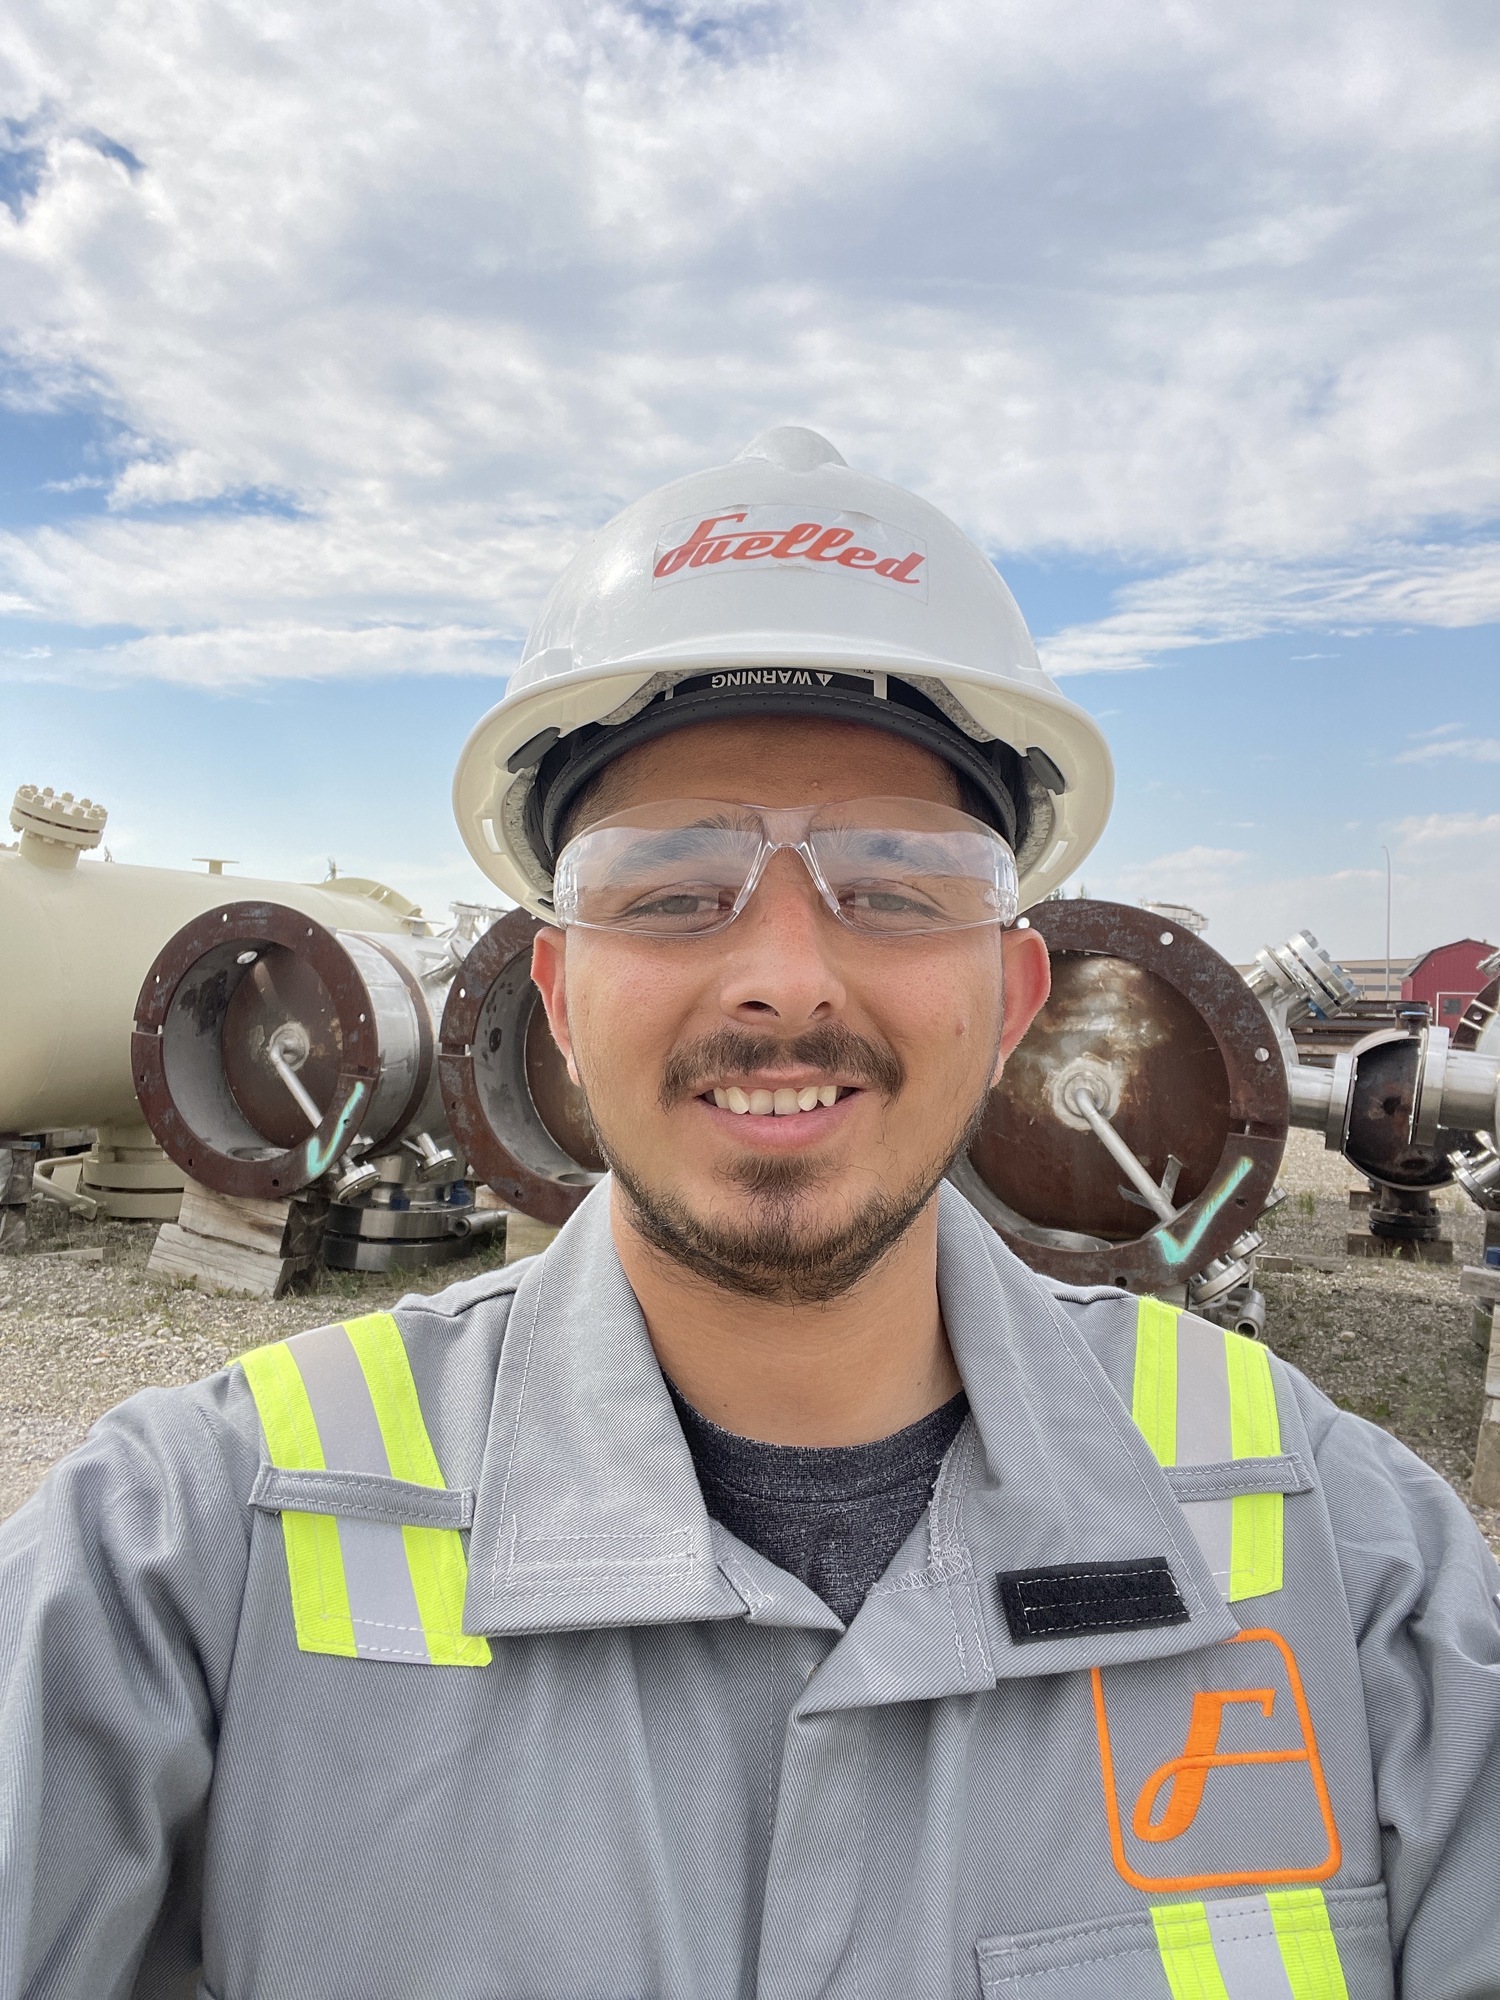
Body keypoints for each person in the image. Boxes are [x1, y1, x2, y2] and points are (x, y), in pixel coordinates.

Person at [1, 428, 1497, 2000]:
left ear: (1013, 999)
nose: (784, 977)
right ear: (558, 997)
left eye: (897, 887)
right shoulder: (183, 1559)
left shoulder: (1352, 1559)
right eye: (670, 890)